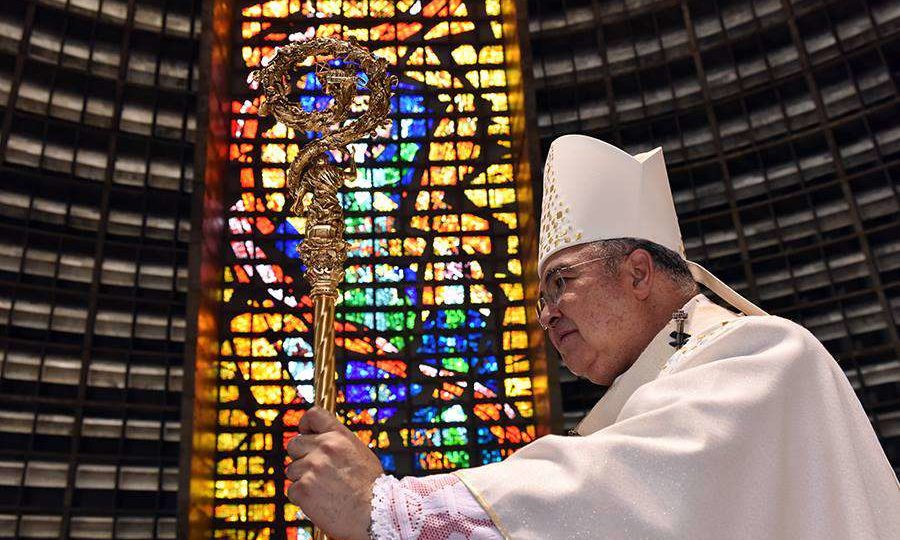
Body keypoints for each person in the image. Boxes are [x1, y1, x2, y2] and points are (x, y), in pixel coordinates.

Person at [284, 135, 900, 539]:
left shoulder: (765, 357)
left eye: (560, 283)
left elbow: (617, 492)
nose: (545, 314)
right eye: (540, 297)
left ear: (637, 272)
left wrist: (387, 506)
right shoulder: (643, 400)